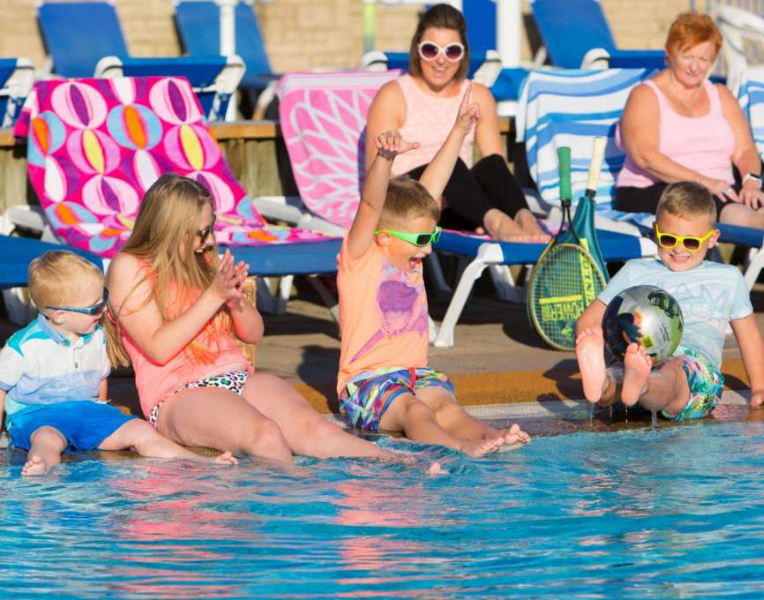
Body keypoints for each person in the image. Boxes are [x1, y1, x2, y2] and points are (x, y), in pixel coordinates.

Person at [104, 174, 397, 466]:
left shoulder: (202, 258)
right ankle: (305, 506)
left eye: (211, 227)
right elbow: (158, 347)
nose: (208, 240)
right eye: (200, 232)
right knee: (265, 435)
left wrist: (234, 300)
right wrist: (213, 297)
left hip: (237, 377)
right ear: (171, 230)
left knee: (314, 428)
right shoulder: (130, 266)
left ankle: (402, 467)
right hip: (178, 395)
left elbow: (253, 333)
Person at [337, 86, 531, 457]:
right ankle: (460, 447)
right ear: (384, 235)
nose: (428, 248)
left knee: (446, 408)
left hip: (415, 373)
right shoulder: (362, 255)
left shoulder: (408, 248)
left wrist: (459, 130)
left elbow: (434, 185)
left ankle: (491, 436)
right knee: (415, 411)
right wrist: (384, 160)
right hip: (367, 383)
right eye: (422, 239)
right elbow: (371, 202)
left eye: (433, 235)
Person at [0, 251, 238, 476]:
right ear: (60, 315)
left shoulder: (95, 336)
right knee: (48, 438)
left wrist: (101, 407)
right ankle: (41, 465)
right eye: (94, 307)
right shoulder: (24, 347)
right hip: (38, 415)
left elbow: (100, 377)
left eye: (103, 297)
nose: (103, 310)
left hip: (86, 412)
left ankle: (200, 462)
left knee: (140, 430)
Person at [575, 181, 764, 418]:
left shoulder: (727, 277)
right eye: (668, 239)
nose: (678, 249)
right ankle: (603, 386)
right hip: (637, 355)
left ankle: (634, 383)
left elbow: (748, 337)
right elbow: (588, 320)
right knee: (618, 377)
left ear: (712, 239)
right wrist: (593, 339)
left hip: (694, 365)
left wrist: (760, 389)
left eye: (690, 242)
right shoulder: (634, 271)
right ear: (656, 230)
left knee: (672, 373)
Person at [365, 3, 548, 243]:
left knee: (492, 164)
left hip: (463, 206)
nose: (441, 61)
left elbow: (497, 165)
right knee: (449, 163)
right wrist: (433, 188)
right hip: (408, 210)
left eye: (451, 51)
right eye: (431, 50)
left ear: (463, 53)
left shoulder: (478, 95)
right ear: (417, 50)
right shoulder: (393, 95)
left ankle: (525, 219)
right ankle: (496, 221)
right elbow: (375, 177)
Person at [616, 11, 764, 232]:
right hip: (652, 188)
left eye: (703, 59)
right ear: (669, 53)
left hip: (718, 188)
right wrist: (704, 181)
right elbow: (645, 156)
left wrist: (751, 181)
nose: (695, 67)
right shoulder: (645, 95)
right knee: (703, 202)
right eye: (687, 57)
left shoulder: (720, 95)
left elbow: (745, 149)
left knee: (752, 200)